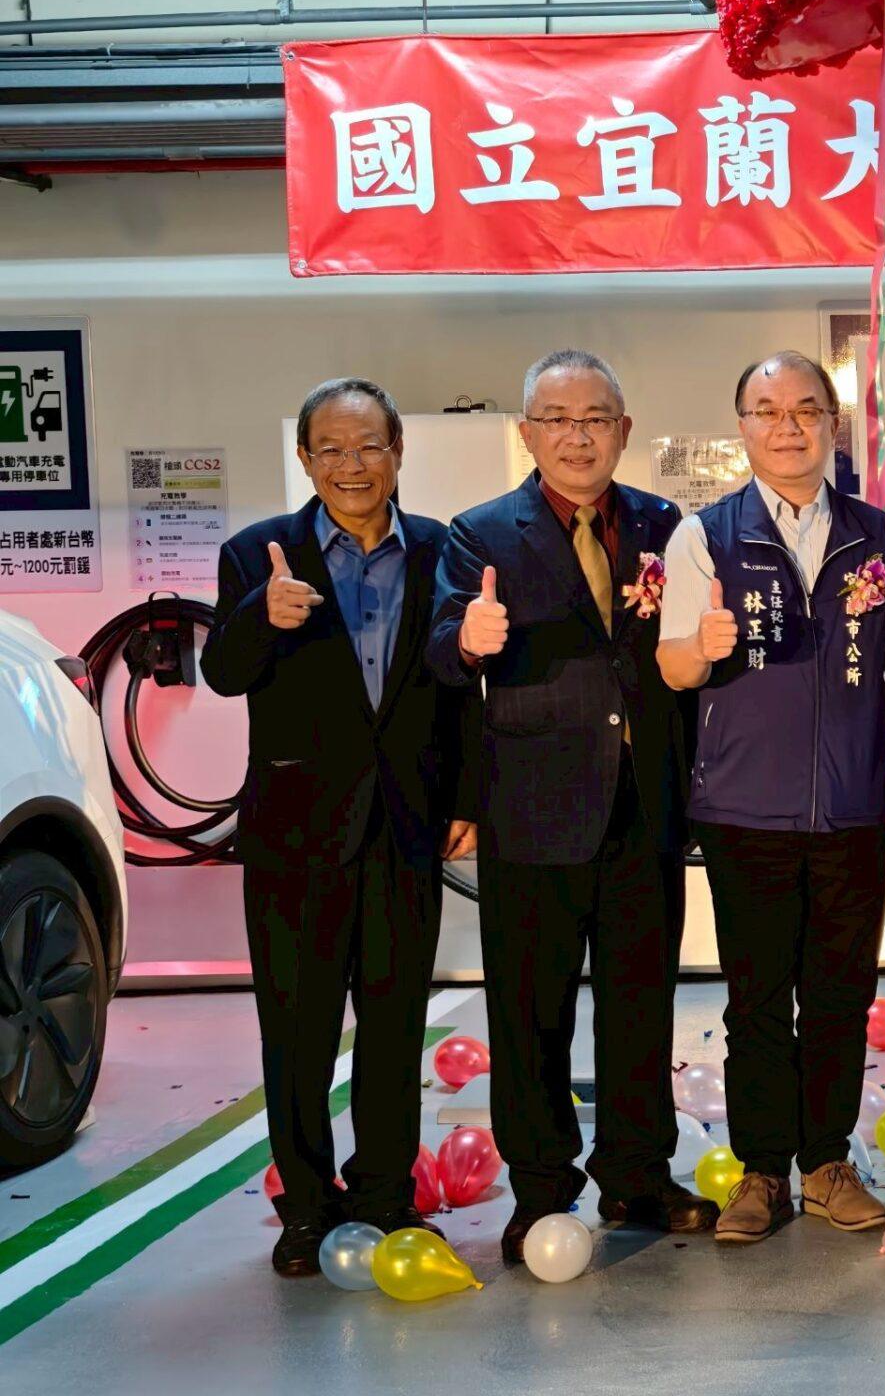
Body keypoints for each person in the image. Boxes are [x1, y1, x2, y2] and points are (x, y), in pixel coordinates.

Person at [426, 349, 714, 1265]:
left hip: (645, 805)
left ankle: (637, 1174)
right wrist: (467, 641)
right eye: (557, 419)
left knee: (641, 1006)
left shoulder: (668, 526)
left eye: (595, 419)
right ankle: (541, 1189)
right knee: (530, 1015)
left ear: (624, 431)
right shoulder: (480, 534)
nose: (577, 436)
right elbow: (440, 656)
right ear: (528, 434)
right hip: (532, 809)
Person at [204, 378, 478, 1277]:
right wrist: (261, 617)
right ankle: (307, 1210)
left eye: (368, 446)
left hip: (405, 825)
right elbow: (222, 674)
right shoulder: (258, 553)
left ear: (398, 450)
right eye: (331, 449)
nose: (351, 466)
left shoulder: (442, 549)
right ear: (305, 458)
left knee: (395, 1025)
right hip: (294, 835)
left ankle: (388, 1197)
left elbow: (459, 691)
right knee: (298, 1033)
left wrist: (466, 796)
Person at [654, 352, 885, 1243]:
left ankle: (828, 1164)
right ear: (743, 427)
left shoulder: (876, 533)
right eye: (767, 410)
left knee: (841, 995)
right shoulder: (705, 536)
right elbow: (672, 667)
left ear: (831, 425)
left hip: (852, 806)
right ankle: (763, 1171)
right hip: (745, 810)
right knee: (758, 1002)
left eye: (807, 409)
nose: (788, 426)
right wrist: (702, 645)